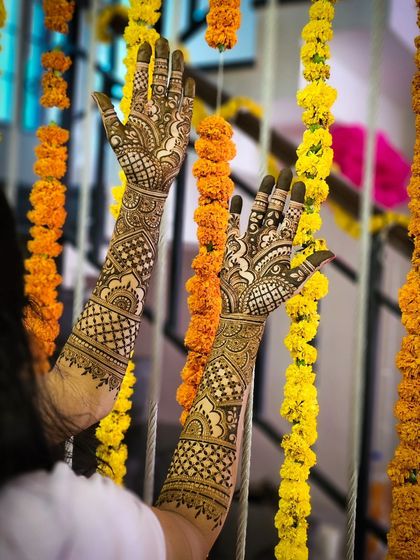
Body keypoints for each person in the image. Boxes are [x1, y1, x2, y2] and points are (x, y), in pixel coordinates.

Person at [0, 38, 333, 559]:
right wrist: (241, 322)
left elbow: (77, 397)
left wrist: (147, 195)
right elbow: (188, 531)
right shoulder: (46, 518)